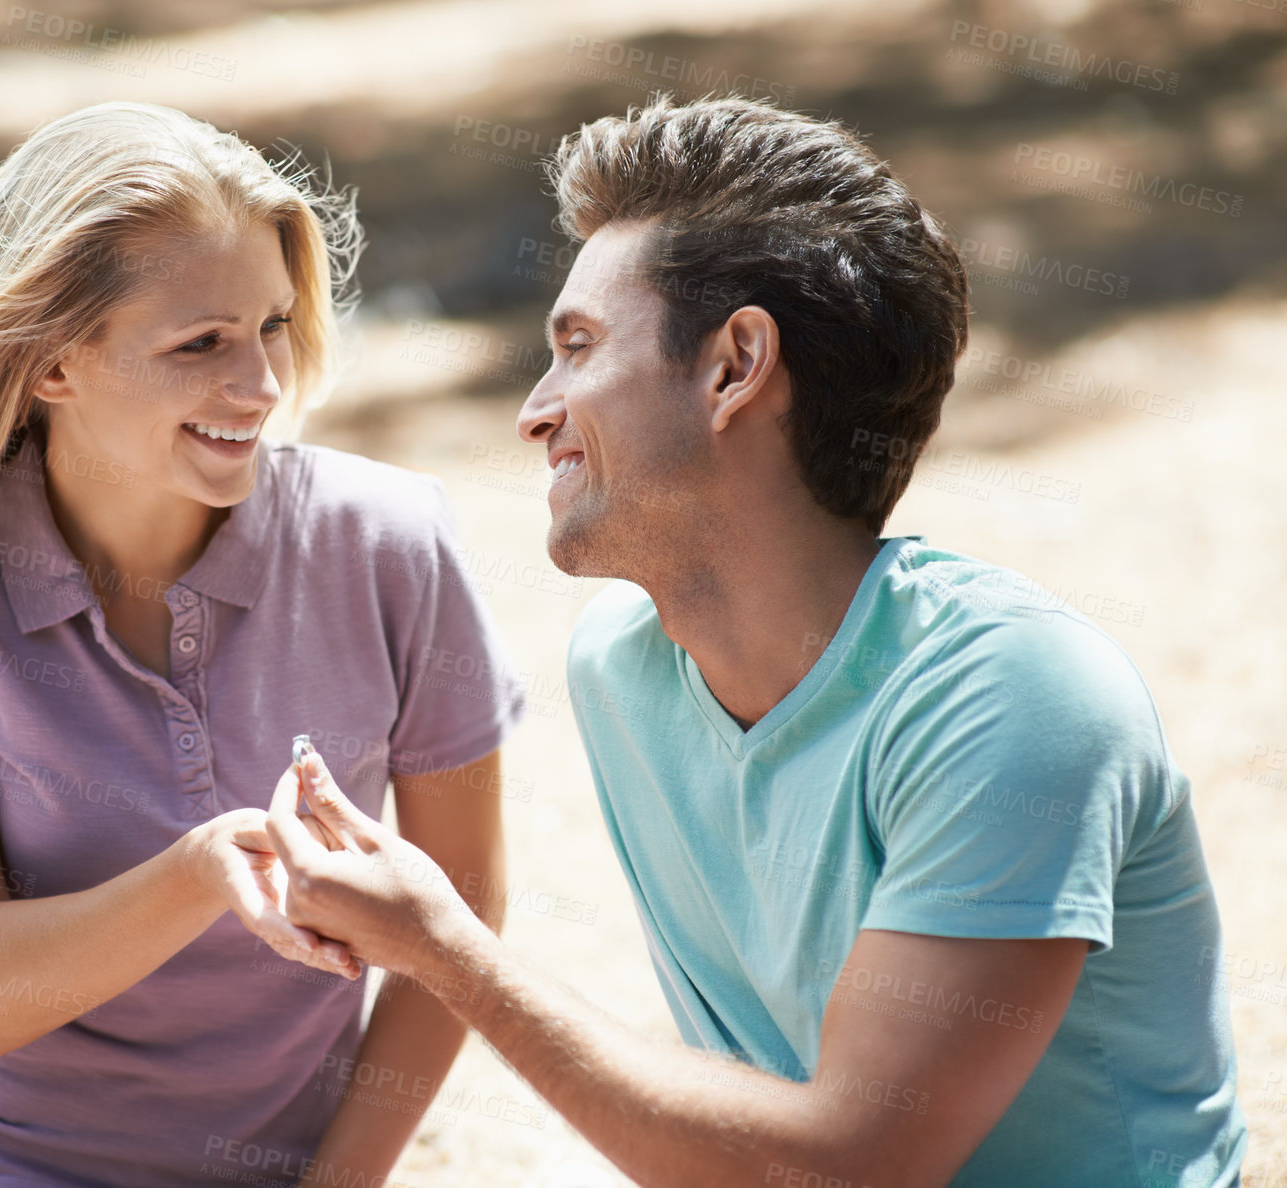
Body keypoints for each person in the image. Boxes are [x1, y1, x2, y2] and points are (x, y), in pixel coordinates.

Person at [259, 95, 1248, 1187]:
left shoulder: (1015, 698)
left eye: (577, 347)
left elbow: (846, 1165)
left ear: (732, 367)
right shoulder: (621, 672)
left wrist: (446, 950)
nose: (534, 411)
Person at [0, 101, 524, 1187]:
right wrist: (203, 869)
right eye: (199, 343)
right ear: (52, 363)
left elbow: (462, 906)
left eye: (270, 326)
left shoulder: (386, 543)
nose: (259, 385)